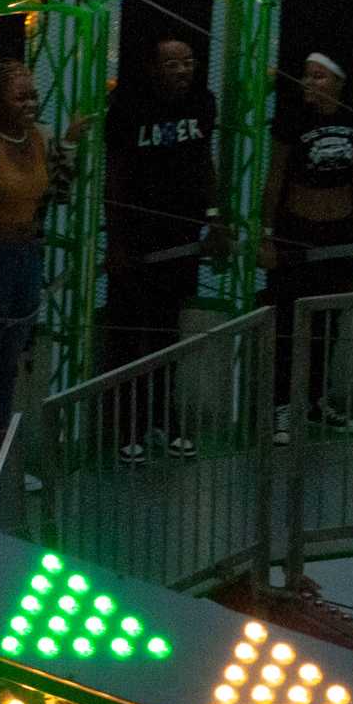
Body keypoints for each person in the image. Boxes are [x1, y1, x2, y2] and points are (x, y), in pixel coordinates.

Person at [0, 55, 79, 511]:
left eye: (33, 94)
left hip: (27, 255)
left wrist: (68, 146)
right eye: (20, 95)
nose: (30, 103)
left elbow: (61, 194)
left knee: (10, 360)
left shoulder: (42, 139)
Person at [102, 36, 224, 463]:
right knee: (132, 331)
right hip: (138, 239)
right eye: (172, 63)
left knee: (168, 330)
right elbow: (114, 175)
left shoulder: (202, 104)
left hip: (182, 235)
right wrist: (115, 242)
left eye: (189, 62)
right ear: (153, 68)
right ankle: (128, 426)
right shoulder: (128, 108)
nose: (182, 70)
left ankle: (163, 419)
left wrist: (214, 217)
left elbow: (204, 159)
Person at [262, 52, 353, 446]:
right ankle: (280, 404)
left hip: (339, 231)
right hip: (298, 230)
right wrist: (267, 235)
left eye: (319, 77)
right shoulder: (291, 121)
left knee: (327, 322)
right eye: (306, 76)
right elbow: (275, 177)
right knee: (287, 321)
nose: (310, 83)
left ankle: (314, 399)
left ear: (338, 82)